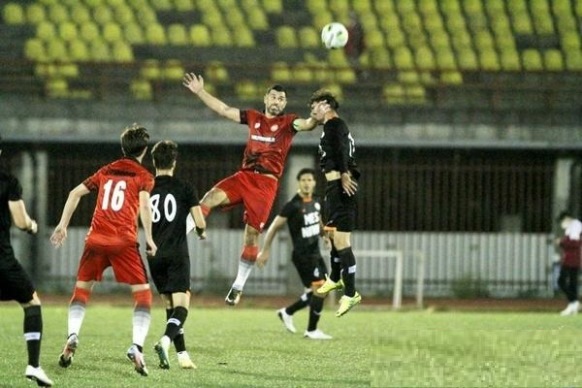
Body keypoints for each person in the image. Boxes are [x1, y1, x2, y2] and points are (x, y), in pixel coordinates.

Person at [182, 73, 319, 306]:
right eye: (273, 97)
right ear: (266, 99)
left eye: (281, 98)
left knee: (252, 234)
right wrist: (200, 92)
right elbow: (224, 110)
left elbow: (306, 124)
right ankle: (178, 237)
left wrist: (315, 118)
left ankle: (238, 285)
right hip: (244, 176)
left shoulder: (289, 123)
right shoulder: (253, 117)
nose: (277, 101)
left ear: (284, 104)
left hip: (266, 183)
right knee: (208, 198)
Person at [50, 124, 157, 376]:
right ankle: (136, 345)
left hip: (95, 240)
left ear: (123, 148)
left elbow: (74, 193)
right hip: (123, 242)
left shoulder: (106, 171)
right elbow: (144, 207)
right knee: (143, 295)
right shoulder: (144, 175)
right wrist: (150, 239)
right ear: (144, 150)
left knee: (81, 291)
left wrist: (62, 225)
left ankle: (73, 335)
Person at [148, 140, 206, 369]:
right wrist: (201, 231)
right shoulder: (185, 187)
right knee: (182, 306)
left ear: (154, 162)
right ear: (174, 162)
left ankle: (182, 355)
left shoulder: (146, 188)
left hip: (154, 254)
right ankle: (165, 340)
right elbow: (199, 221)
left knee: (170, 307)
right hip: (177, 254)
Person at [0, 142, 54, 387]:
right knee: (31, 302)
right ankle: (33, 366)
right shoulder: (8, 181)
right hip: (2, 260)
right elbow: (21, 222)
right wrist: (33, 225)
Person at [257, 168, 332, 340]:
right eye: (303, 180)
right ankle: (311, 330)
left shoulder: (316, 201)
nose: (306, 183)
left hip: (315, 253)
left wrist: (325, 236)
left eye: (309, 180)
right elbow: (274, 226)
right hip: (303, 255)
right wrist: (265, 250)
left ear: (314, 182)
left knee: (323, 289)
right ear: (299, 182)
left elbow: (318, 221)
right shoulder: (292, 205)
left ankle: (287, 312)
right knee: (320, 288)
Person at [308, 89, 362, 317]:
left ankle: (351, 293)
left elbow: (341, 151)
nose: (312, 113)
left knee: (341, 241)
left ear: (325, 105)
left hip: (340, 187)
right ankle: (334, 278)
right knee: (331, 235)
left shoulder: (333, 124)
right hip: (333, 187)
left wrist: (345, 173)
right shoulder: (333, 127)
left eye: (314, 108)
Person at [555, 211, 582, 316]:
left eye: (562, 221)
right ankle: (573, 304)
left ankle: (573, 302)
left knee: (562, 281)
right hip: (571, 258)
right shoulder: (572, 227)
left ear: (566, 218)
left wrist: (561, 242)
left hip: (573, 258)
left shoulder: (575, 225)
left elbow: (575, 243)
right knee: (572, 283)